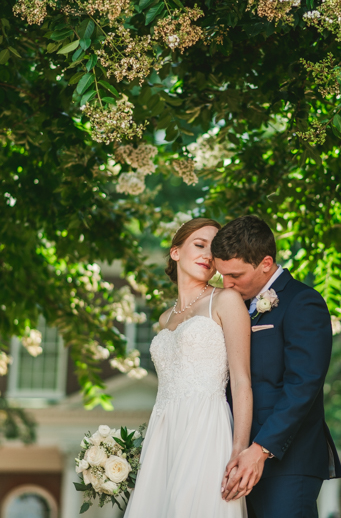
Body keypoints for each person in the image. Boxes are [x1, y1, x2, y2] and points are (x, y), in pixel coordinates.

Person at [212, 215, 341, 518]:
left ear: (266, 263)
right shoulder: (232, 304)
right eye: (222, 275)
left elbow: (303, 385)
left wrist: (259, 451)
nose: (226, 283)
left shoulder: (302, 302)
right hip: (232, 457)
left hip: (286, 463)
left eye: (235, 275)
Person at [123, 217, 252, 518]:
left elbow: (242, 381)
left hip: (206, 428)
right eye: (199, 244)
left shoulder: (225, 301)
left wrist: (239, 449)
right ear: (175, 252)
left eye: (214, 248)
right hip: (164, 432)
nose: (208, 254)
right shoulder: (164, 319)